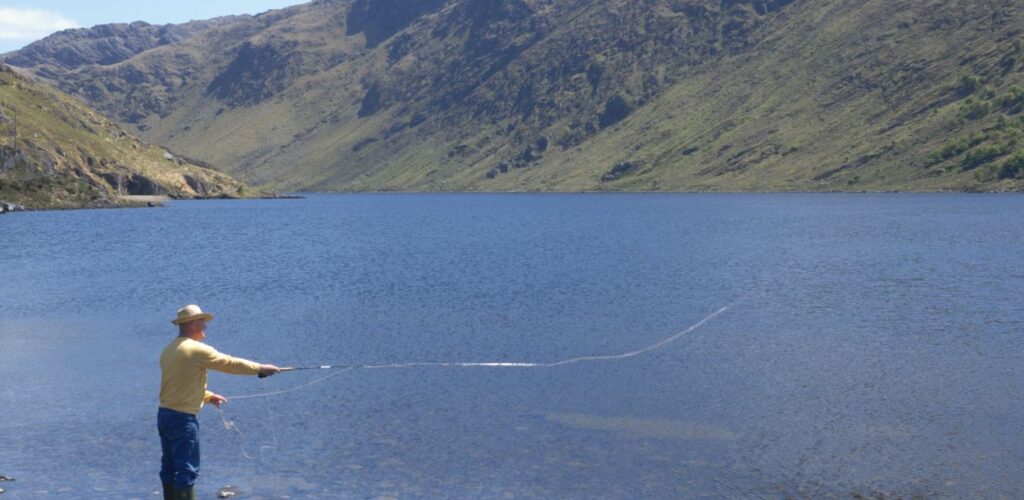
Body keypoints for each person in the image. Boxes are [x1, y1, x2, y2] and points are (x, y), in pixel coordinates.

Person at [158, 304, 280, 500]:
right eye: (202, 321)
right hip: (182, 420)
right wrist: (260, 368)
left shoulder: (169, 350)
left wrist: (207, 396)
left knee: (170, 467)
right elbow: (229, 364)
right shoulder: (195, 349)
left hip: (165, 415)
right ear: (192, 323)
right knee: (187, 470)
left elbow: (178, 383)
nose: (205, 326)